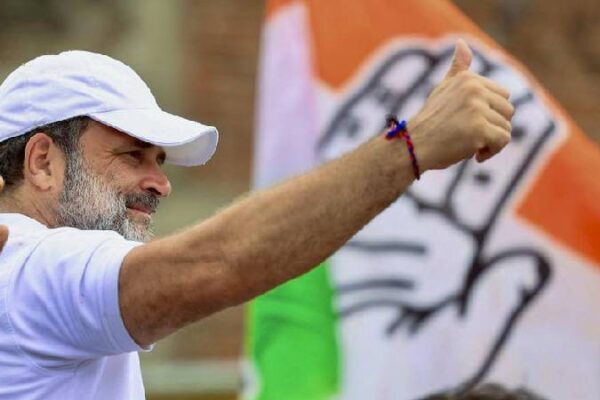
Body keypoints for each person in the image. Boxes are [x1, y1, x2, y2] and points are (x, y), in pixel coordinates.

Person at [0, 39, 513, 399]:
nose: (160, 183)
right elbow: (219, 263)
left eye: (160, 161)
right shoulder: (29, 265)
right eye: (132, 155)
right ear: (42, 162)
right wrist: (412, 144)